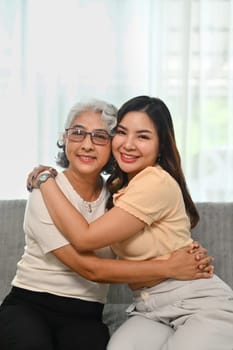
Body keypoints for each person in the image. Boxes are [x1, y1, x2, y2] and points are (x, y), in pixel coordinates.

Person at [0, 98, 213, 350]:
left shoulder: (119, 197)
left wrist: (185, 256)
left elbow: (159, 234)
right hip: (30, 304)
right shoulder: (44, 192)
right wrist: (169, 267)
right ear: (65, 139)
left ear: (112, 145)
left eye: (100, 136)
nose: (87, 145)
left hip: (86, 313)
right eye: (78, 133)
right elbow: (88, 268)